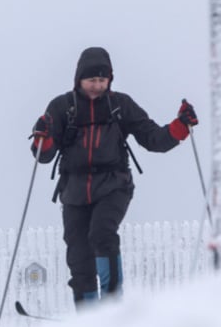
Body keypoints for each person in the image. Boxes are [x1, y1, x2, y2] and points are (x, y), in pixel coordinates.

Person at [31, 46, 198, 308]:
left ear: (110, 80)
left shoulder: (120, 105)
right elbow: (44, 155)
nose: (97, 86)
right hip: (74, 189)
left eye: (102, 80)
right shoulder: (63, 107)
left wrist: (179, 128)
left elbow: (153, 138)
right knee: (78, 253)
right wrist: (44, 136)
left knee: (102, 233)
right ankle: (87, 314)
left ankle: (111, 308)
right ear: (78, 80)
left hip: (113, 184)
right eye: (91, 80)